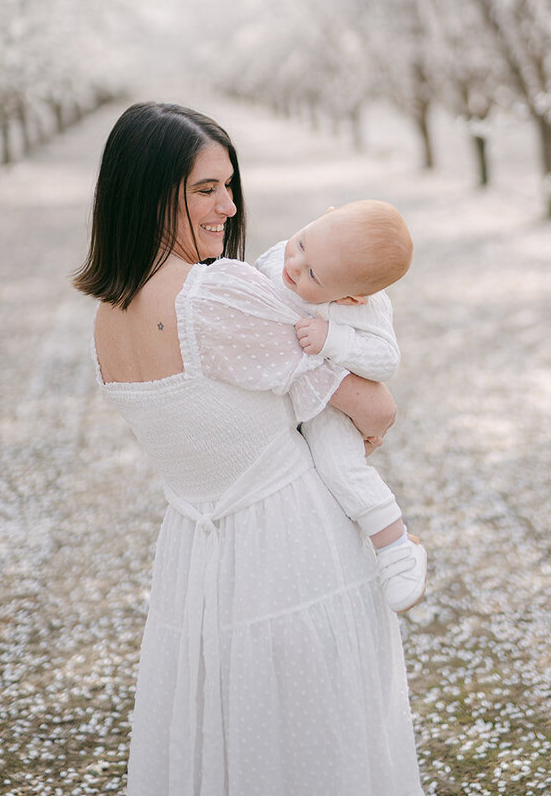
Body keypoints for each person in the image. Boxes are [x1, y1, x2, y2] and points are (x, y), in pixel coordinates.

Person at [74, 102, 424, 796]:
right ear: (147, 190)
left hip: (195, 562)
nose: (228, 207)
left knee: (224, 748)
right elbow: (375, 405)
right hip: (289, 551)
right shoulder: (217, 296)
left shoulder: (104, 321)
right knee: (314, 752)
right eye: (206, 189)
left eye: (228, 186)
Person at [255, 201, 427, 613]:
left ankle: (396, 547)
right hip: (280, 398)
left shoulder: (368, 309)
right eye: (301, 242)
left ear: (352, 298)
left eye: (313, 274)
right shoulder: (279, 258)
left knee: (340, 468)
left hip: (329, 408)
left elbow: (386, 359)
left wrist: (334, 338)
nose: (294, 264)